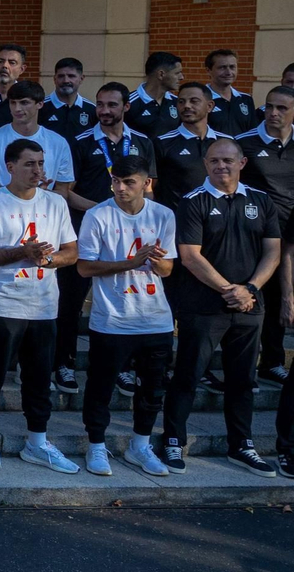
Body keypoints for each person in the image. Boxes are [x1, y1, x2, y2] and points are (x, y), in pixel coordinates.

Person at [162, 137, 280, 476]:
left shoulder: (261, 200)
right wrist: (230, 289)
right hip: (203, 307)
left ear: (242, 163)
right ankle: (173, 440)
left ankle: (241, 444)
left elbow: (272, 250)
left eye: (228, 160)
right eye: (214, 160)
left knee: (243, 380)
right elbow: (189, 256)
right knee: (188, 375)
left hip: (249, 307)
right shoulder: (192, 201)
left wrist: (251, 288)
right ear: (205, 164)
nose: (221, 166)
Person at [0, 139, 81, 476]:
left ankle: (38, 441)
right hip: (3, 304)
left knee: (38, 378)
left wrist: (46, 258)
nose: (38, 171)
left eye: (41, 164)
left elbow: (72, 252)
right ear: (10, 166)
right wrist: (21, 253)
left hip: (44, 305)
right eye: (30, 164)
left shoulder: (56, 204)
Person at [75, 156, 176, 478]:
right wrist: (130, 263)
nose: (120, 188)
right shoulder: (97, 215)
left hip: (155, 318)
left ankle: (140, 445)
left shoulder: (163, 215)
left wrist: (156, 262)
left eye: (129, 182)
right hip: (112, 319)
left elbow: (168, 268)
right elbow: (85, 266)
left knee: (152, 390)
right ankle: (96, 445)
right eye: (116, 181)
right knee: (100, 387)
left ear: (147, 183)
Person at [60, 82, 157, 393]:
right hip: (86, 231)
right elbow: (66, 192)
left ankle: (123, 368)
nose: (104, 111)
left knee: (125, 300)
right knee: (71, 301)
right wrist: (104, 210)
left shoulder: (142, 141)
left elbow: (149, 191)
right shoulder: (79, 141)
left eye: (112, 105)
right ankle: (64, 362)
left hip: (129, 236)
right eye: (100, 104)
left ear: (126, 107)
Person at [235, 85, 294, 387]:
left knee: (280, 301)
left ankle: (271, 362)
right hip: (254, 236)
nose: (273, 113)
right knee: (251, 301)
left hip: (290, 236)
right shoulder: (244, 142)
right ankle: (243, 367)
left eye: (282, 108)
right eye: (269, 107)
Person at [0, 81, 75, 198]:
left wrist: (38, 194)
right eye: (13, 103)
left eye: (24, 103)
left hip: (43, 212)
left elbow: (63, 192)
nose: (17, 109)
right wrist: (26, 191)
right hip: (2, 210)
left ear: (40, 104)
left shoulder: (59, 143)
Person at [153, 81, 225, 212]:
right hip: (176, 222)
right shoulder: (162, 142)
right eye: (181, 101)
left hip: (219, 220)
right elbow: (151, 186)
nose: (186, 106)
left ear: (210, 106)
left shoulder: (227, 143)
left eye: (194, 101)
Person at [124, 51, 184, 139]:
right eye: (177, 73)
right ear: (161, 74)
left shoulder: (178, 102)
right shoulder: (128, 103)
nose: (182, 77)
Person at [38, 57, 96, 145]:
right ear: (54, 79)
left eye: (71, 76)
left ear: (81, 79)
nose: (66, 80)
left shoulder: (92, 110)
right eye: (61, 76)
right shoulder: (40, 107)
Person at [204, 49, 259, 137]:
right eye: (222, 67)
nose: (229, 72)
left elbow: (252, 133)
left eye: (232, 67)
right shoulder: (200, 99)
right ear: (208, 70)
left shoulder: (246, 99)